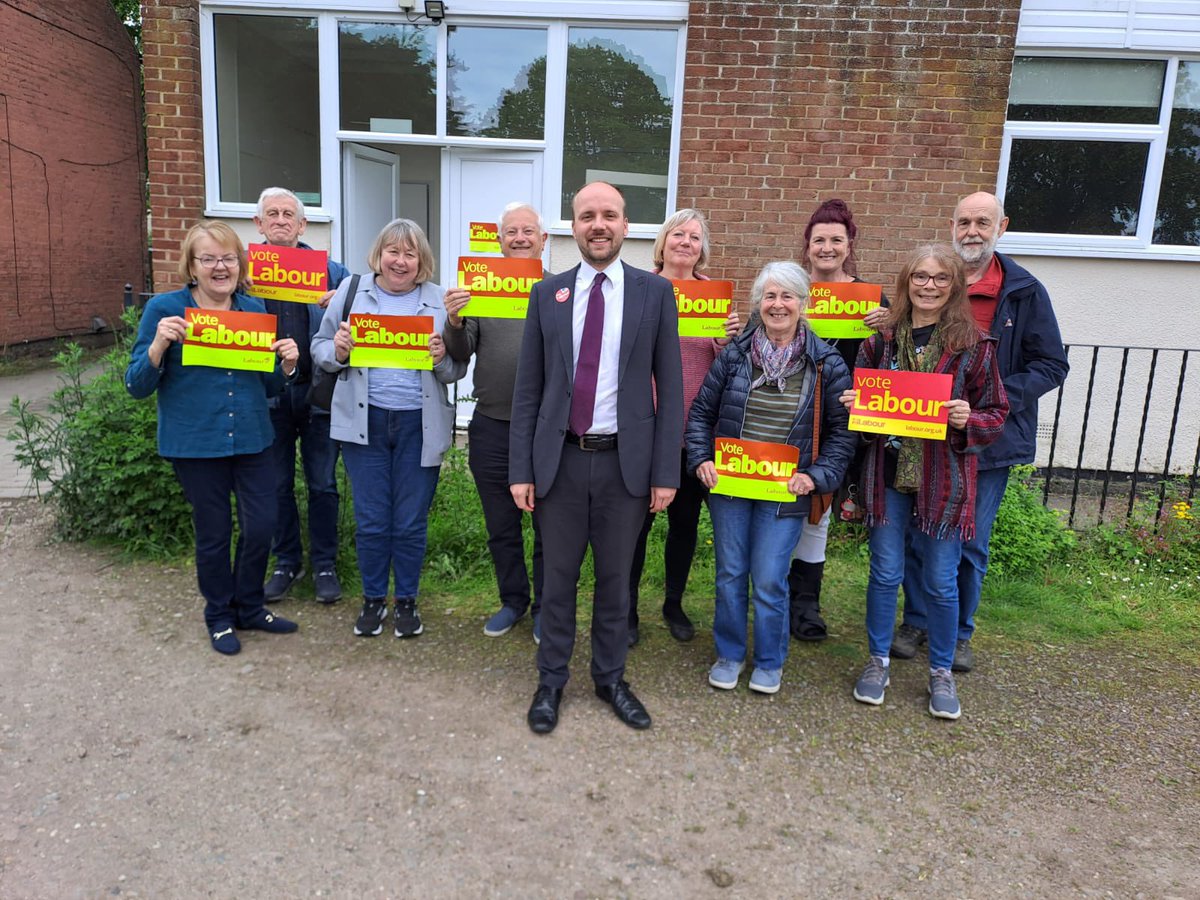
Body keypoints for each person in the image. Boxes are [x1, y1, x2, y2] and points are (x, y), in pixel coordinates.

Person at [510, 181, 683, 734]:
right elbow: (528, 390)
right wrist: (521, 469)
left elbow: (671, 389)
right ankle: (551, 681)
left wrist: (664, 472)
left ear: (626, 225)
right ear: (573, 226)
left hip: (624, 466)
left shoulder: (655, 295)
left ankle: (611, 679)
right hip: (558, 463)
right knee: (557, 581)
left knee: (616, 582)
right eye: (587, 216)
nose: (598, 225)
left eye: (609, 215)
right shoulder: (548, 294)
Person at [893, 193, 1069, 673]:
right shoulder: (936, 280)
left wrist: (988, 399)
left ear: (1001, 226)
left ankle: (961, 633)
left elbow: (1052, 365)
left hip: (986, 442)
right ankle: (916, 621)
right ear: (952, 225)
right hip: (919, 435)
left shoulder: (1023, 290)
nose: (972, 230)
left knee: (969, 539)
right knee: (917, 533)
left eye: (982, 222)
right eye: (964, 221)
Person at [844, 244, 1009, 720]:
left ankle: (940, 669)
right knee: (885, 572)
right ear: (906, 282)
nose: (929, 285)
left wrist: (968, 418)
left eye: (940, 278)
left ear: (955, 285)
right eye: (920, 276)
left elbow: (997, 412)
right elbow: (866, 401)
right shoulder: (881, 341)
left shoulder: (974, 345)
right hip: (887, 473)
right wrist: (854, 404)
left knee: (940, 580)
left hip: (944, 477)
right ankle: (877, 662)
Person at [125, 220, 301, 655]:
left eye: (227, 258)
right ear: (192, 265)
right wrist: (158, 347)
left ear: (240, 266)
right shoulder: (165, 311)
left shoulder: (254, 310)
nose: (219, 267)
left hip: (253, 438)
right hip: (196, 442)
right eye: (209, 259)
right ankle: (219, 615)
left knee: (262, 526)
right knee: (214, 532)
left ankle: (249, 605)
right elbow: (136, 385)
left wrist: (287, 366)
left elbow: (270, 388)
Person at [686, 261, 855, 695]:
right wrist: (701, 458)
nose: (777, 305)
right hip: (731, 486)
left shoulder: (827, 363)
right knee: (729, 573)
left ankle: (768, 660)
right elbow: (702, 414)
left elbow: (841, 433)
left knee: (768, 577)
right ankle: (729, 653)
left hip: (784, 491)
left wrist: (816, 477)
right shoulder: (734, 354)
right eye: (769, 296)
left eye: (787, 296)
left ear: (804, 303)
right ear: (757, 303)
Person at [311, 219, 465, 639]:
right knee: (373, 520)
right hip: (365, 423)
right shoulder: (350, 292)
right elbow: (319, 348)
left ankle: (408, 602)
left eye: (410, 253)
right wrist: (338, 351)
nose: (401, 261)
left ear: (422, 261)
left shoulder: (440, 302)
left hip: (419, 423)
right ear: (379, 255)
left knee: (411, 522)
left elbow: (456, 369)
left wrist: (439, 357)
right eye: (393, 252)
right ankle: (374, 599)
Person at [626, 209, 740, 646]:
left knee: (685, 524)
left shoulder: (717, 296)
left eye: (694, 237)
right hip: (645, 425)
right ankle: (627, 608)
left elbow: (730, 364)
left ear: (702, 248)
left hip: (696, 429)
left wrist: (727, 340)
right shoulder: (640, 288)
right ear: (663, 242)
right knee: (635, 525)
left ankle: (673, 603)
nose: (686, 242)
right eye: (678, 234)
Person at [443, 202, 547, 642]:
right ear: (498, 239)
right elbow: (462, 351)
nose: (519, 238)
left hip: (548, 431)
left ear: (544, 240)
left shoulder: (561, 288)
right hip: (491, 425)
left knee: (549, 528)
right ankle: (513, 601)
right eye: (511, 232)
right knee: (501, 525)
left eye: (528, 230)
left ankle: (546, 608)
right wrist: (454, 319)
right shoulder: (480, 289)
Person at [787, 198, 885, 643]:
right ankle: (773, 591)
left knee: (817, 510)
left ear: (849, 246)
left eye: (836, 240)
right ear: (807, 247)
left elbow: (891, 365)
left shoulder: (871, 301)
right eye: (819, 240)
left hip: (838, 422)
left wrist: (891, 327)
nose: (827, 248)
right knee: (780, 503)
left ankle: (806, 604)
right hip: (786, 416)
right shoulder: (790, 289)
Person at [254, 187, 351, 605]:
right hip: (266, 395)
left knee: (323, 484)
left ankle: (325, 564)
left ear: (302, 224)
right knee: (275, 485)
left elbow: (362, 324)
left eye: (288, 214)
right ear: (259, 223)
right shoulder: (244, 270)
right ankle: (286, 561)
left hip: (318, 395)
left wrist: (340, 305)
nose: (280, 220)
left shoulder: (332, 272)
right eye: (271, 214)